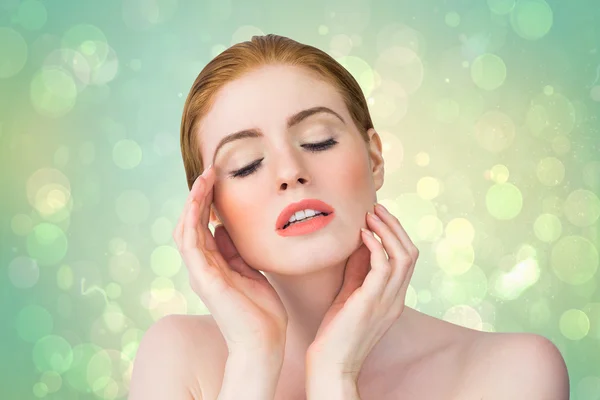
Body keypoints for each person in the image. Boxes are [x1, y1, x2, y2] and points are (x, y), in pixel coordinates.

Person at [128, 34, 570, 400]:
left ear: (374, 158)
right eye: (245, 164)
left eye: (318, 141)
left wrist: (335, 376)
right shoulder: (176, 357)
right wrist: (252, 360)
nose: (290, 172)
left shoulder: (513, 372)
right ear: (209, 209)